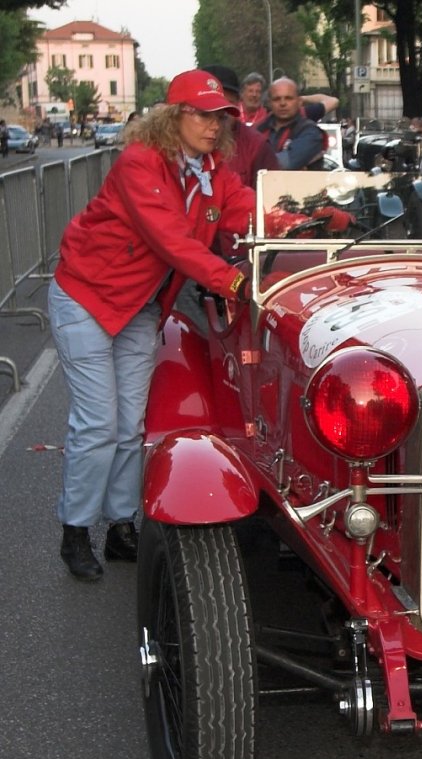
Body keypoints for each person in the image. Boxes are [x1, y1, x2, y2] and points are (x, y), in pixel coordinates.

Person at [48, 69, 256, 581]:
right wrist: (236, 283)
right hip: (87, 298)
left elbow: (248, 211)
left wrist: (309, 214)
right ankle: (75, 530)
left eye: (221, 117)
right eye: (203, 115)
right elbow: (175, 243)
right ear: (173, 116)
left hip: (140, 306)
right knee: (98, 423)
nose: (213, 126)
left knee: (129, 426)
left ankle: (119, 524)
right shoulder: (140, 163)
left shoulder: (210, 170)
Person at [202, 64, 280, 188]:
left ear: (238, 103)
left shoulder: (257, 146)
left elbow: (272, 201)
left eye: (227, 104)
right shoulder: (175, 147)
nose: (220, 113)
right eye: (211, 105)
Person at [258, 77, 326, 170]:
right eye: (277, 99)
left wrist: (253, 162)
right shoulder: (259, 128)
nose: (282, 103)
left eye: (288, 98)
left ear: (299, 102)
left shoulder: (311, 132)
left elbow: (286, 163)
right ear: (269, 103)